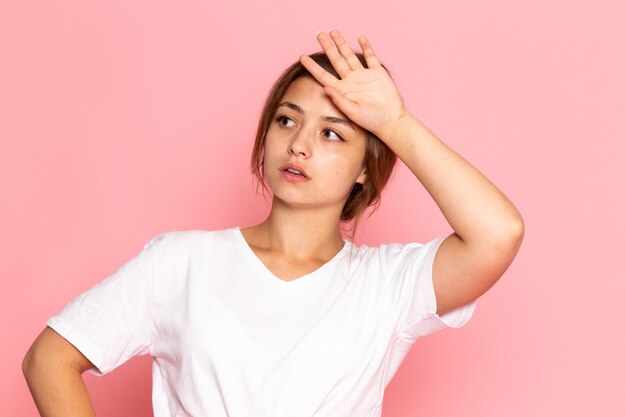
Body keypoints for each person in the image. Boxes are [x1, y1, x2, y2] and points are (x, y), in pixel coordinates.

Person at [22, 30, 524, 417]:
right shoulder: (178, 262)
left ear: (365, 169)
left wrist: (395, 125)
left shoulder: (389, 285)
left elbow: (498, 233)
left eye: (332, 132)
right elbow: (49, 359)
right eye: (287, 120)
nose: (299, 144)